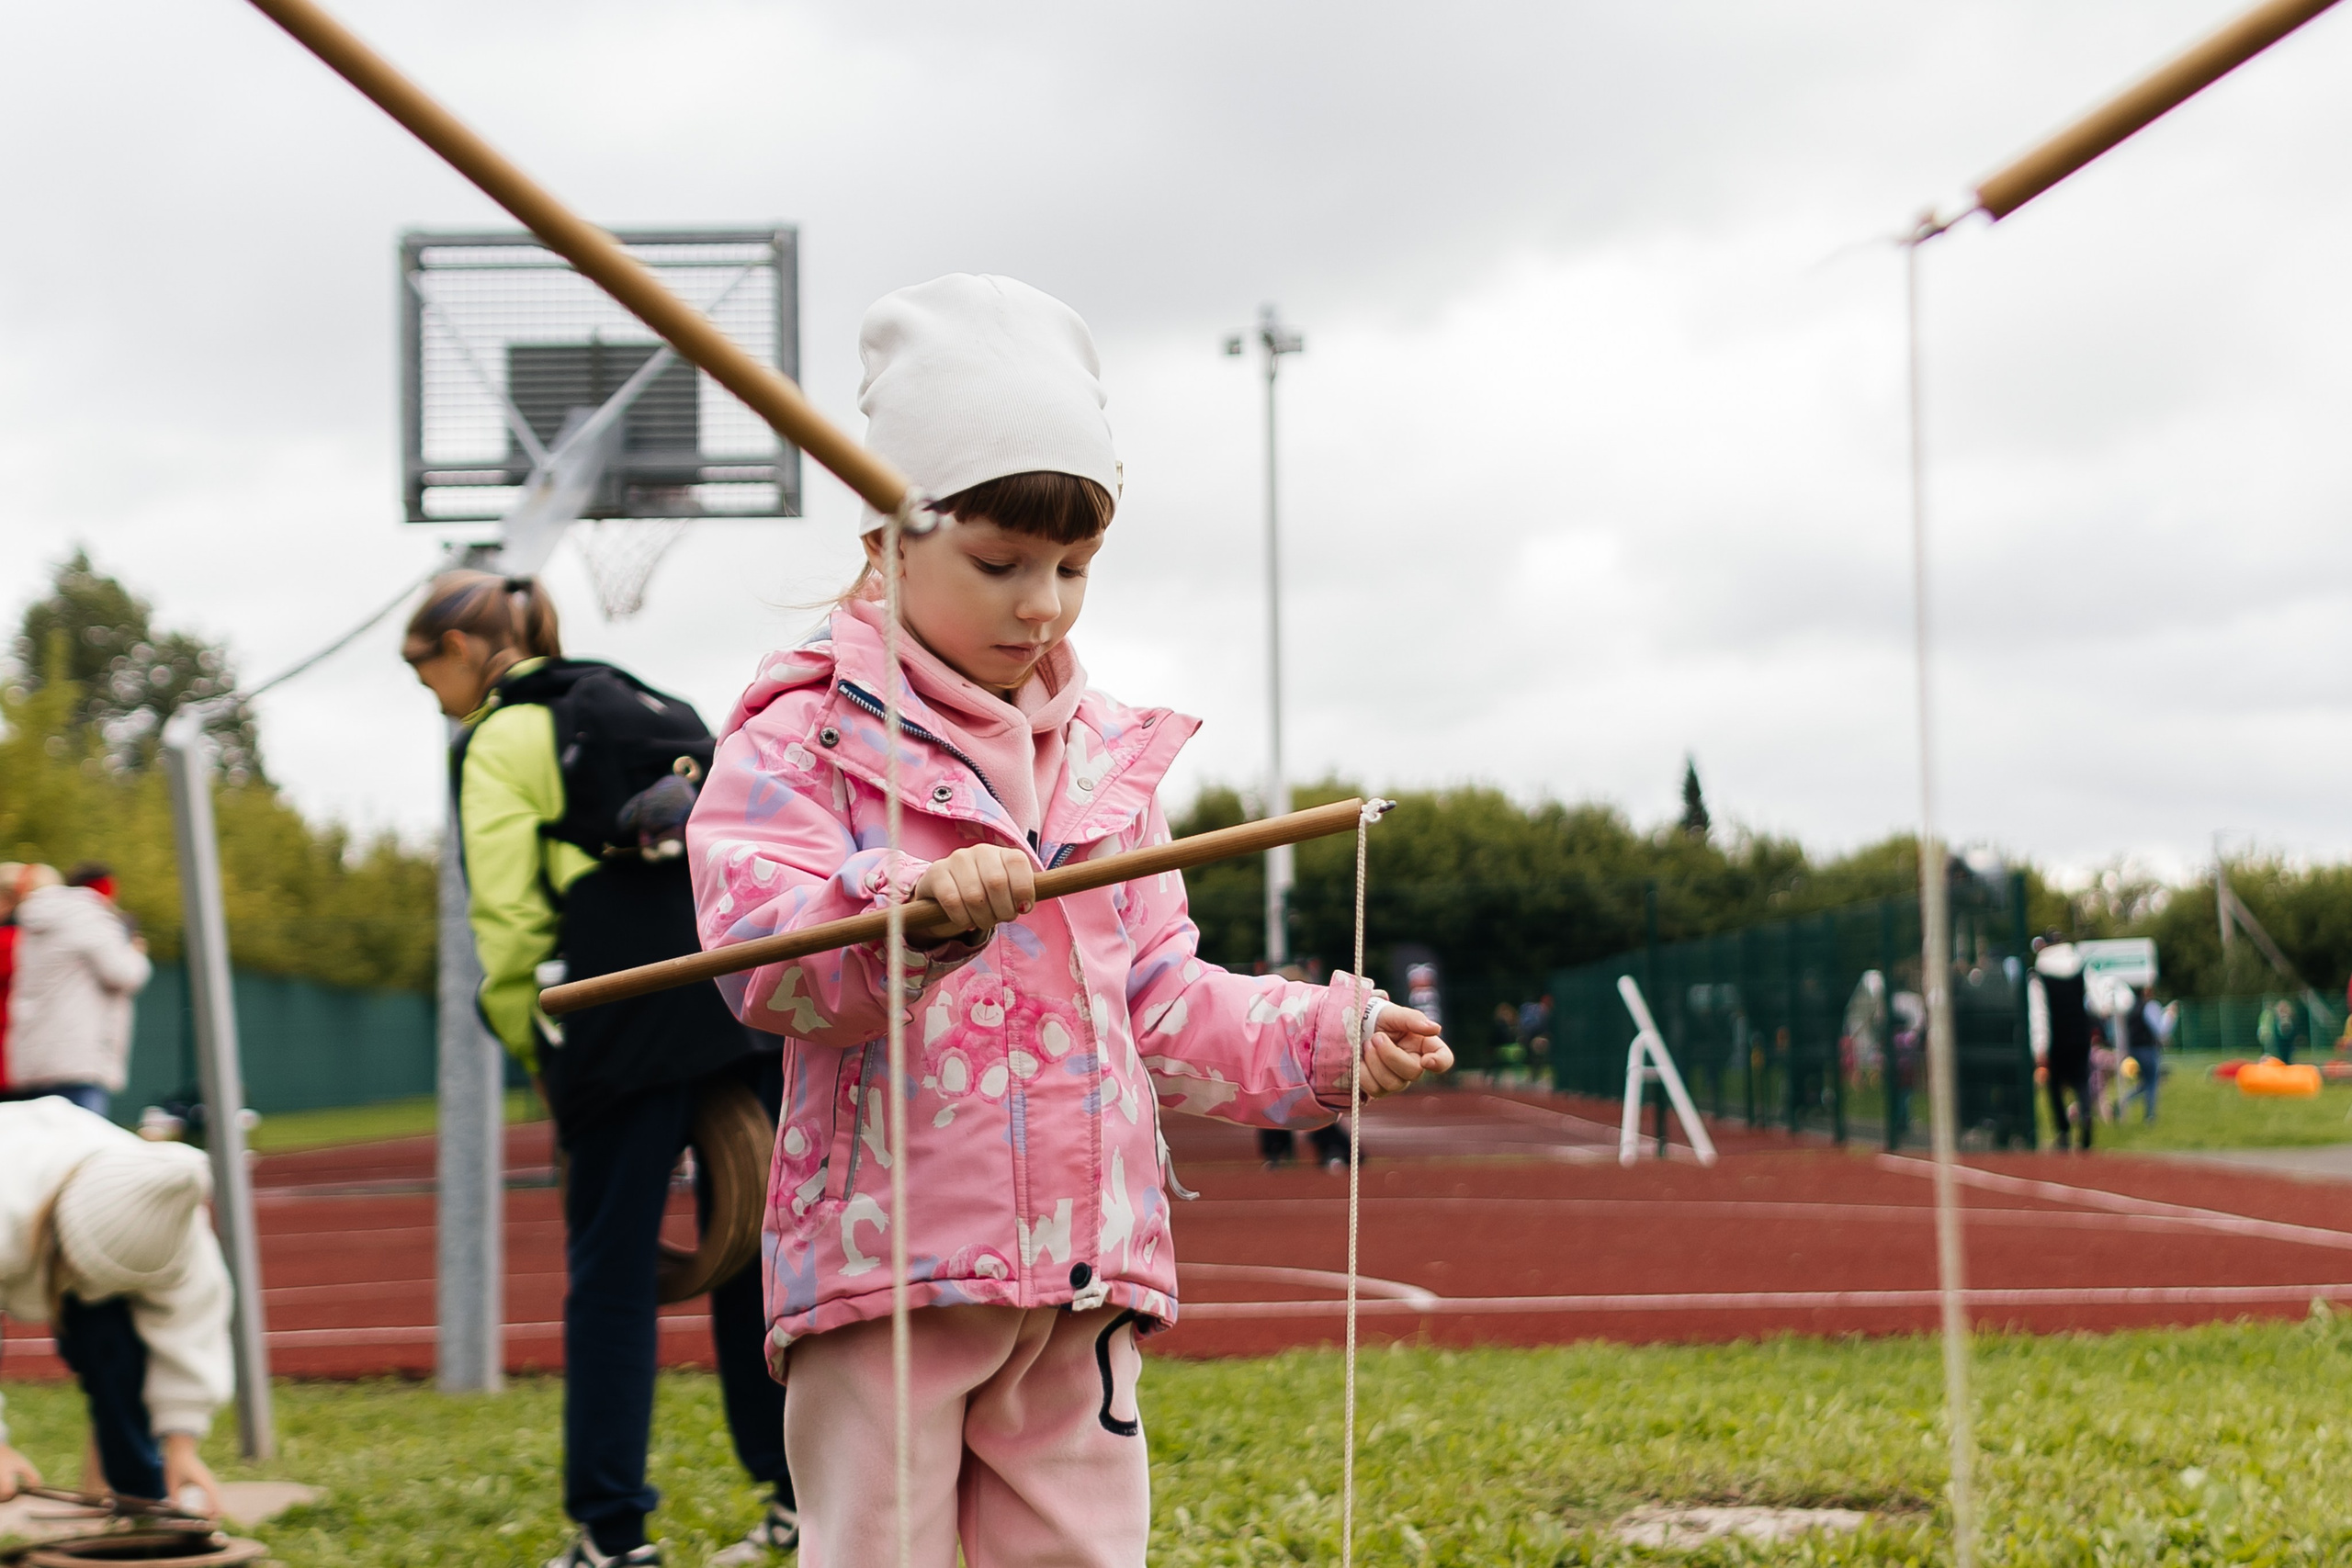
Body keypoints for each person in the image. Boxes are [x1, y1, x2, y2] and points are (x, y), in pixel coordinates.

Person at [687, 274, 1454, 1566]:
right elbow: (763, 960)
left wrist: (1328, 1035)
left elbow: (1160, 995)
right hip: (891, 1284)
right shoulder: (798, 733)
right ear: (886, 541)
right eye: (999, 563)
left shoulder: (1105, 765)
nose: (1040, 601)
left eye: (1072, 566)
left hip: (1086, 1273)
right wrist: (908, 913)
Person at [402, 572, 796, 1568]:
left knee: (612, 1277)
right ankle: (798, 1502)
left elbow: (504, 914)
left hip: (613, 1007)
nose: (431, 693)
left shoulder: (498, 735)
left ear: (462, 651)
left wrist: (536, 1041)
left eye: (425, 671)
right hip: (731, 988)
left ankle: (613, 1536)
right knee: (755, 1257)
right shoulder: (652, 704)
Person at [0, 1097, 231, 1516]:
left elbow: (191, 1330)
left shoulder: (173, 1225)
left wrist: (182, 1445)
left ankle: (143, 1497)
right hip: (16, 1209)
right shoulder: (8, 1193)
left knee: (114, 1343)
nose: (88, 1292)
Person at [4, 863, 148, 1119]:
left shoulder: (32, 925)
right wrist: (134, 952)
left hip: (30, 1061)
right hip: (76, 1060)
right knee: (80, 1148)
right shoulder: (86, 916)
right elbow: (123, 973)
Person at [2029, 935, 2093, 1151]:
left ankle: (2063, 1131)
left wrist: (2040, 1048)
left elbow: (2039, 1013)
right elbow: (2093, 1001)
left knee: (2054, 1086)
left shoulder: (2040, 974)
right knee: (2081, 1081)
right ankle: (2085, 1115)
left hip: (2056, 1038)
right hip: (2080, 1036)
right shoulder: (2080, 967)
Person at [2123, 992, 2165, 1125]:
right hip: (2147, 1048)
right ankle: (2150, 1115)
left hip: (2133, 1048)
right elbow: (2157, 1028)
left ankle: (2123, 1102)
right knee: (2152, 1082)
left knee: (2144, 1084)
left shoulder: (2130, 1009)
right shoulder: (2148, 1007)